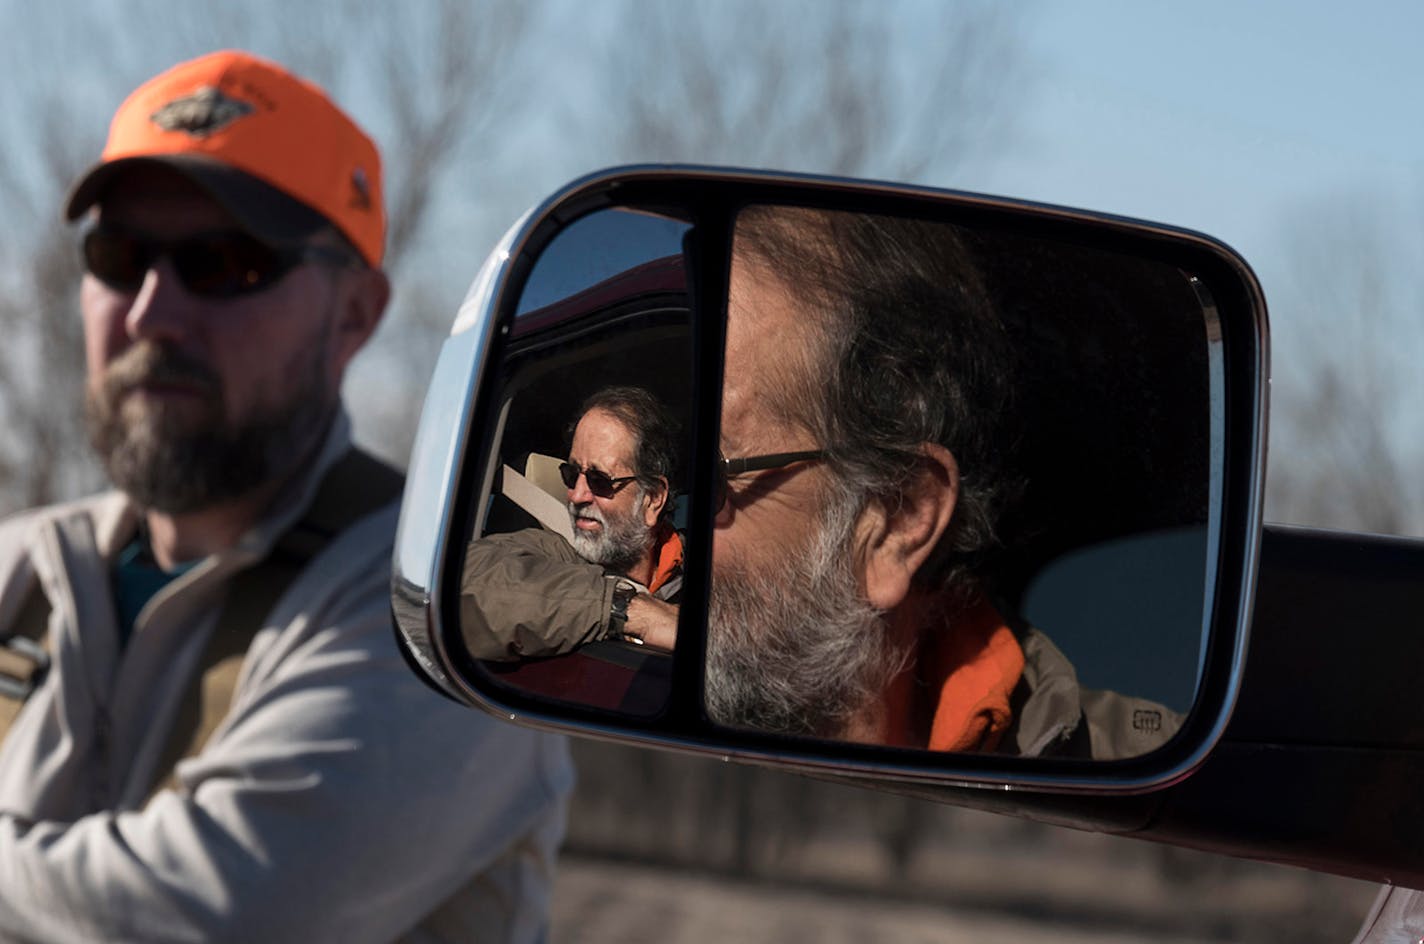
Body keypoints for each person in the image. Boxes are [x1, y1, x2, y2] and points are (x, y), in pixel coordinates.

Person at [0, 50, 571, 943]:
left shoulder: (455, 620)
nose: (151, 312)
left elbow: (209, 915)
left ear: (355, 316)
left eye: (223, 263)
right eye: (119, 256)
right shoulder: (21, 567)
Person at [705, 205, 1180, 759]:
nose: (657, 522)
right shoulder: (620, 673)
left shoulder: (1129, 767)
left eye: (710, 471)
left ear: (897, 520)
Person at [462, 386, 682, 659]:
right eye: (571, 474)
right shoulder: (552, 552)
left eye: (599, 480)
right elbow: (465, 581)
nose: (576, 496)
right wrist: (626, 610)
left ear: (651, 499)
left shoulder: (713, 568)